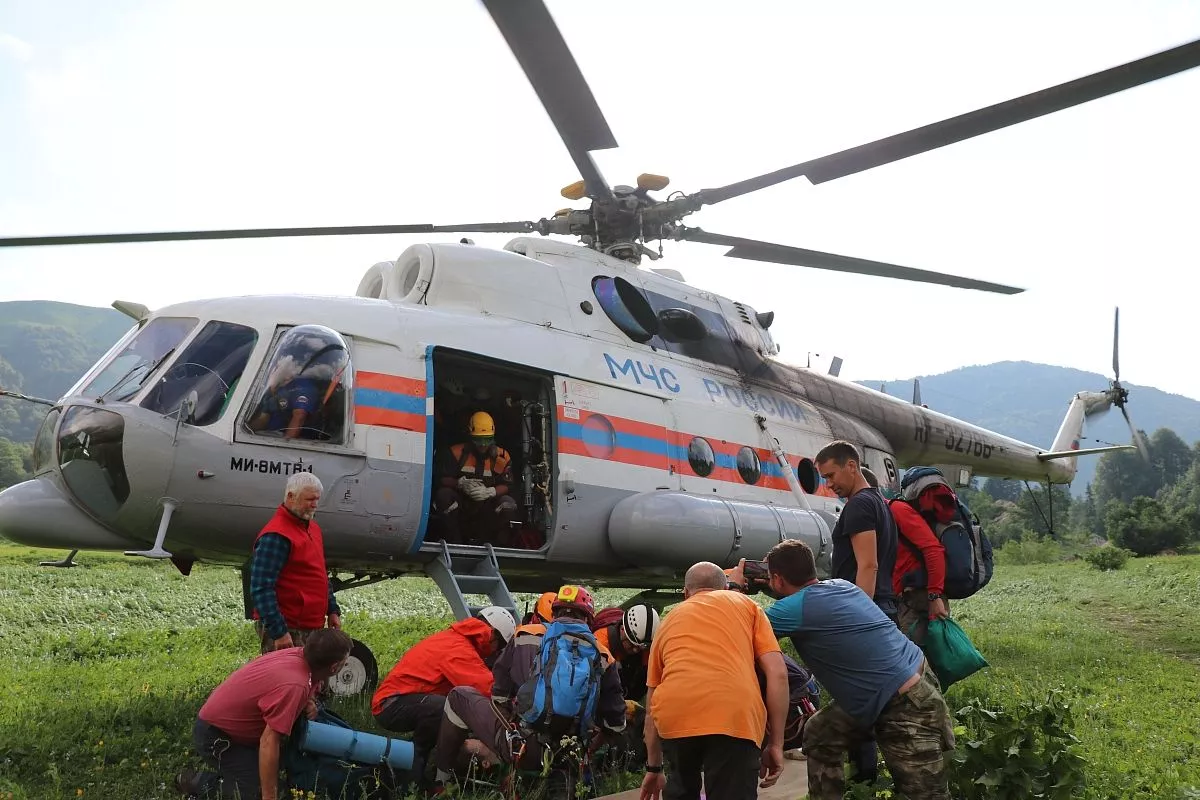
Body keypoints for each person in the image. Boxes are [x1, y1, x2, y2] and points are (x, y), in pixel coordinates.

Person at [757, 540, 954, 800]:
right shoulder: (843, 586)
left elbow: (743, 625)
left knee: (926, 795)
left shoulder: (790, 610)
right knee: (820, 733)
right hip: (915, 674)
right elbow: (805, 599)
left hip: (904, 704)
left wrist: (733, 588)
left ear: (778, 579)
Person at [434, 585, 627, 792]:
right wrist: (585, 752)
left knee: (458, 696)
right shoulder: (604, 656)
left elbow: (499, 695)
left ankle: (441, 781)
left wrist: (514, 734)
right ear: (589, 618)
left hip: (523, 748)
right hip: (569, 757)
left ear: (554, 613)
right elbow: (615, 725)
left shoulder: (525, 635)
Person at [640, 562, 787, 800]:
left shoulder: (668, 621)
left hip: (675, 713)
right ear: (725, 587)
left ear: (686, 593)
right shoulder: (748, 606)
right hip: (733, 714)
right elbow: (777, 674)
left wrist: (654, 768)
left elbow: (650, 706)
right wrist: (777, 744)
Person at [176, 629, 353, 800]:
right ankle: (195, 781)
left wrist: (309, 700)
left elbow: (285, 684)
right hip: (216, 737)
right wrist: (269, 796)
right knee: (263, 792)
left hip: (230, 728)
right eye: (344, 662)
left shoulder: (300, 655)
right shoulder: (294, 686)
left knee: (283, 771)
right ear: (334, 667)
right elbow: (269, 741)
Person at [372, 606, 516, 774]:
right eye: (499, 647)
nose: (496, 652)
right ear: (492, 636)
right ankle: (413, 770)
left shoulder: (455, 639)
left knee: (450, 709)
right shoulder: (459, 650)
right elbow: (487, 688)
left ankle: (410, 760)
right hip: (391, 704)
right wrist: (516, 700)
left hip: (397, 699)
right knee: (443, 709)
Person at [249, 473, 341, 654]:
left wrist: (332, 609)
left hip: (311, 626)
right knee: (286, 680)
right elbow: (261, 587)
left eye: (317, 499)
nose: (314, 504)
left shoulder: (313, 528)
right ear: (290, 497)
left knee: (310, 680)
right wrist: (279, 632)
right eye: (309, 499)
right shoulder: (276, 535)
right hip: (289, 628)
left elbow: (320, 574)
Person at [432, 411, 519, 546]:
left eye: (487, 439)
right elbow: (440, 478)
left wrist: (491, 492)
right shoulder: (456, 453)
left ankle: (499, 548)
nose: (483, 445)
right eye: (479, 440)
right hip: (462, 505)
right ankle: (454, 543)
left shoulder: (502, 457)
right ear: (470, 436)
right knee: (444, 495)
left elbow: (509, 485)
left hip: (488, 508)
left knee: (508, 503)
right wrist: (459, 484)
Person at [889, 470, 954, 645]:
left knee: (912, 656)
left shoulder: (896, 510)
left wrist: (934, 596)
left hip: (920, 596)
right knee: (931, 654)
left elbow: (933, 549)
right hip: (919, 593)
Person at [593, 604, 659, 702]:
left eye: (640, 647)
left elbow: (652, 680)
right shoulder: (600, 644)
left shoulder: (644, 642)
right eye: (632, 645)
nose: (636, 650)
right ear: (622, 629)